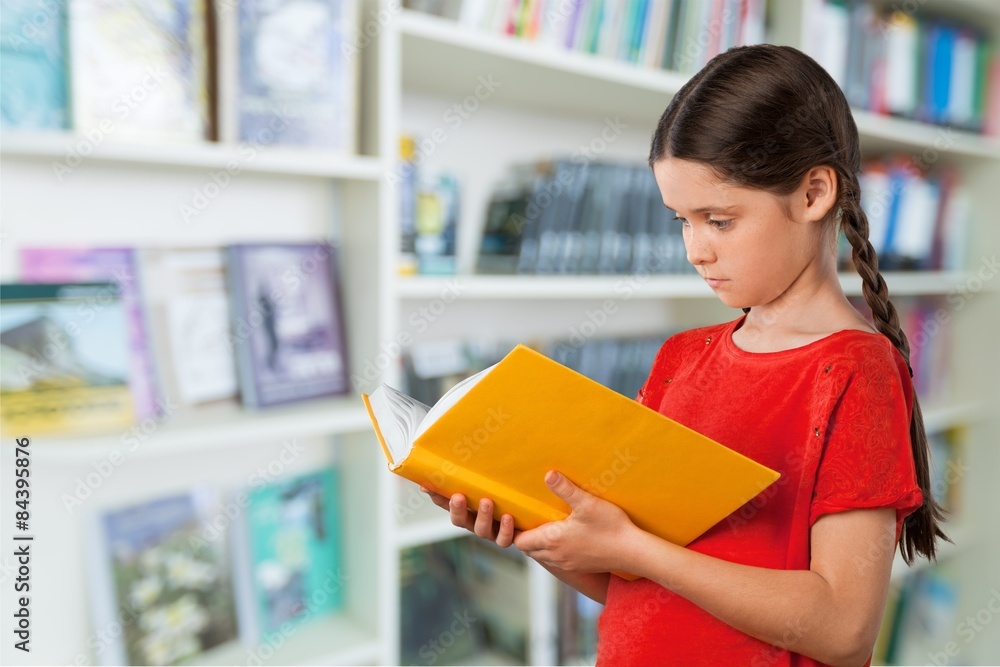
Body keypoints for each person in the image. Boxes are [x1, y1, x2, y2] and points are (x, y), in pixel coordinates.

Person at [421, 43, 946, 666]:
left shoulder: (856, 373)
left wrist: (638, 551)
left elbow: (842, 628)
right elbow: (632, 586)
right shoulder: (681, 358)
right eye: (681, 221)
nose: (696, 250)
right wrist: (533, 527)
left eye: (718, 220)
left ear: (813, 195)